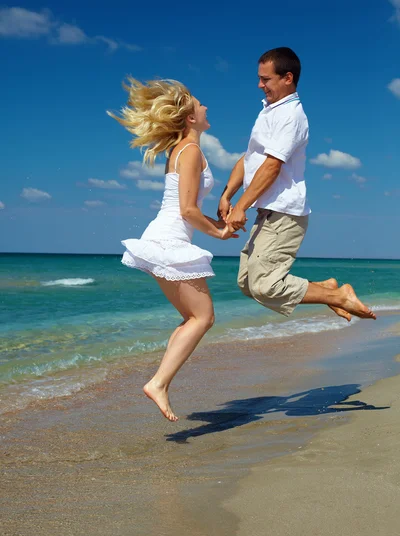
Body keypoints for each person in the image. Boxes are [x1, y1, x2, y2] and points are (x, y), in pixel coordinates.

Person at [109, 78, 239, 422]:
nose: (206, 107)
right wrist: (219, 234)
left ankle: (160, 381)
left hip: (164, 237)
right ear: (190, 118)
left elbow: (186, 205)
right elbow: (186, 211)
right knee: (204, 317)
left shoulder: (182, 149)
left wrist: (220, 223)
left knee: (192, 319)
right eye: (200, 104)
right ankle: (158, 383)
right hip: (169, 241)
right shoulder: (191, 150)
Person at [219, 47, 376, 321]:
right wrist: (227, 195)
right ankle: (326, 288)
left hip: (285, 213)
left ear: (287, 78)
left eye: (265, 79)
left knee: (265, 285)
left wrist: (241, 206)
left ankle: (339, 296)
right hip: (267, 212)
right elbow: (250, 158)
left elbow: (272, 166)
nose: (260, 84)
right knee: (247, 284)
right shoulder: (268, 112)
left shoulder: (291, 116)